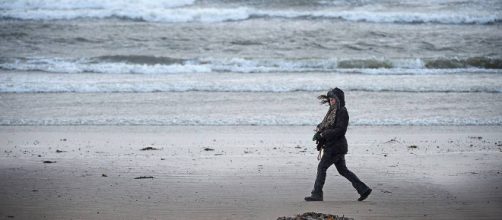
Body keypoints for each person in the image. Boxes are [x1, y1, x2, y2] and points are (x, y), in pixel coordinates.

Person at [305, 87, 372, 202]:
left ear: (339, 99)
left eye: (333, 99)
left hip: (335, 147)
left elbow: (341, 130)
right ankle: (363, 189)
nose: (331, 101)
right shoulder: (332, 111)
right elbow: (326, 124)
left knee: (322, 167)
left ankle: (317, 194)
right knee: (343, 170)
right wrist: (319, 128)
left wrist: (324, 134)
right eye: (330, 99)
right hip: (335, 146)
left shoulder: (342, 111)